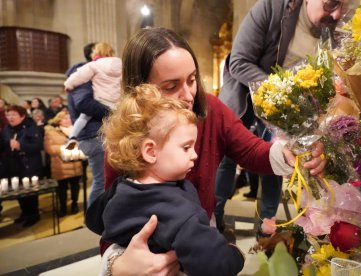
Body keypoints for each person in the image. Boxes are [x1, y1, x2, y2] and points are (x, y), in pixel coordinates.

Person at [102, 27, 326, 275]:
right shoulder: (126, 134)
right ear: (141, 89)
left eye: (192, 80)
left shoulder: (212, 110)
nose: (188, 95)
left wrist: (292, 151)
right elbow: (110, 220)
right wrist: (118, 266)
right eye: (170, 86)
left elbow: (251, 150)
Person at [216, 0, 349, 235]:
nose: (337, 14)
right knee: (227, 157)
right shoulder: (271, 8)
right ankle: (213, 219)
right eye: (331, 4)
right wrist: (279, 91)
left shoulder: (335, 29)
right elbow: (238, 62)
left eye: (343, 7)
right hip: (245, 96)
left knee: (278, 161)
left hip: (292, 108)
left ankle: (267, 229)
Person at [86, 84, 245, 276]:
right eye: (186, 147)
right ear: (151, 151)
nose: (194, 155)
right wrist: (236, 255)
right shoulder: (179, 212)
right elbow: (216, 265)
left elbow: (94, 220)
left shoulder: (122, 185)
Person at [66, 43, 109, 207]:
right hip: (94, 136)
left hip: (95, 134)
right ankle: (93, 222)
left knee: (106, 181)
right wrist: (113, 112)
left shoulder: (88, 74)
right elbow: (84, 103)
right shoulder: (84, 74)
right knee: (102, 182)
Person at [64, 42, 121, 149]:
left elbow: (78, 77)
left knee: (84, 116)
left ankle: (72, 137)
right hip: (117, 102)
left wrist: (68, 85)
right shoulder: (121, 64)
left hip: (101, 99)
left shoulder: (94, 65)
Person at [0, 105, 43, 227]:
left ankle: (33, 215)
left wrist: (21, 146)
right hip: (13, 165)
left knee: (30, 192)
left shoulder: (31, 127)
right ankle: (25, 213)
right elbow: (4, 144)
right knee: (18, 190)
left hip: (29, 165)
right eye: (8, 115)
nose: (10, 117)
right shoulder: (7, 128)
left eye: (13, 115)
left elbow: (38, 146)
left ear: (22, 116)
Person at [44, 110, 83, 217]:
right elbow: (49, 148)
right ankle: (63, 207)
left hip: (75, 164)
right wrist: (63, 148)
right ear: (59, 120)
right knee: (62, 188)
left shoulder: (77, 130)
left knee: (75, 186)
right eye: (65, 118)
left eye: (69, 118)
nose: (68, 120)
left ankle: (74, 204)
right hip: (60, 165)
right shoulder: (51, 132)